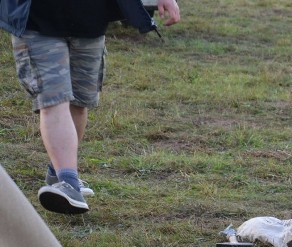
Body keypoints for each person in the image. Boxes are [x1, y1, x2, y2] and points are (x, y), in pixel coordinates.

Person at [0, 0, 180, 214]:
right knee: (53, 99)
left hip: (91, 21)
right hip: (37, 22)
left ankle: (59, 173)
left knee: (79, 103)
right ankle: (68, 182)